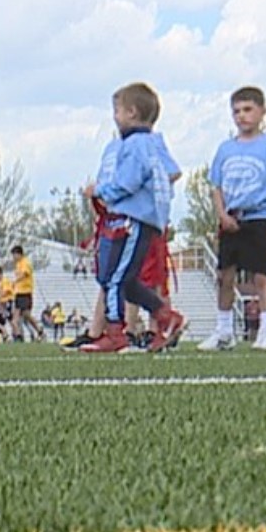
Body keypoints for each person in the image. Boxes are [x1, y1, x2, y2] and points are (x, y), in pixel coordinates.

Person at [80, 82, 184, 353]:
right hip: (142, 220)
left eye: (117, 111)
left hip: (133, 221)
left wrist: (99, 190)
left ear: (132, 113)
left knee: (115, 277)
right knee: (126, 280)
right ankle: (165, 316)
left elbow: (128, 182)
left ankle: (115, 334)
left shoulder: (135, 145)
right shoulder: (149, 144)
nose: (114, 117)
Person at [199, 87, 266, 352]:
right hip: (233, 218)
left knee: (262, 276)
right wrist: (221, 214)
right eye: (236, 111)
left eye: (247, 110)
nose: (241, 116)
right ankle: (223, 332)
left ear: (261, 111)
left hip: (261, 216)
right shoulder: (226, 148)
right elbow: (216, 186)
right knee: (225, 275)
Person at [9, 244, 40, 341]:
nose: (13, 257)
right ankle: (19, 335)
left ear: (19, 254)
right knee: (18, 316)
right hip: (19, 293)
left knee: (25, 315)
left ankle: (39, 331)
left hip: (25, 292)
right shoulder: (18, 264)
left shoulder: (25, 262)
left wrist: (15, 281)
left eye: (14, 255)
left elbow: (24, 274)